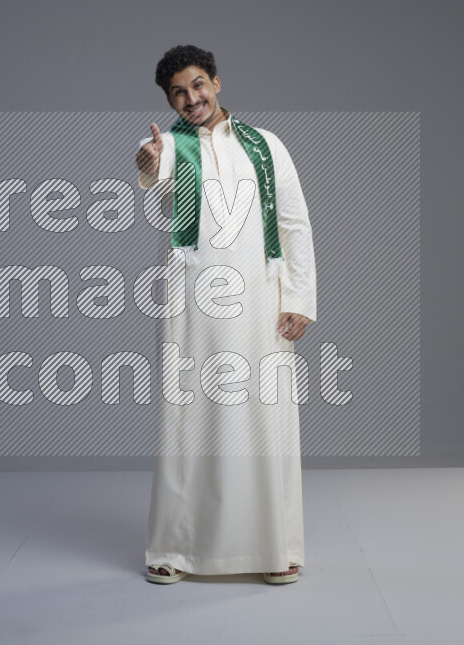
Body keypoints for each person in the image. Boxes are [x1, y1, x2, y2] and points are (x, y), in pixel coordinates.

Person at [135, 45, 317, 585]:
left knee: (268, 419)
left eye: (197, 85)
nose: (191, 99)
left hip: (262, 298)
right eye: (178, 94)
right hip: (195, 300)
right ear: (169, 100)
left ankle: (277, 546)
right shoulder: (167, 146)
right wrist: (146, 165)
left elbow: (295, 223)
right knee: (188, 418)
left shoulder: (267, 146)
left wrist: (300, 299)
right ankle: (173, 548)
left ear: (216, 81)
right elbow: (153, 173)